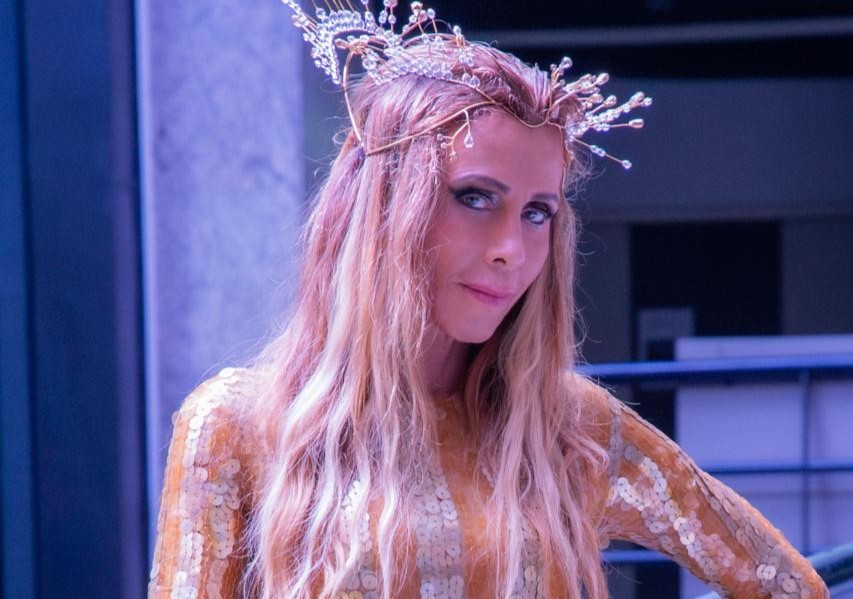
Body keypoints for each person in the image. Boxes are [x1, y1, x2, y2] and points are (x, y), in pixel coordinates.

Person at [147, 2, 829, 598]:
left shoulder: (571, 428)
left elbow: (785, 583)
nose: (511, 248)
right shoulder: (238, 425)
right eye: (474, 197)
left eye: (537, 213)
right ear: (383, 206)